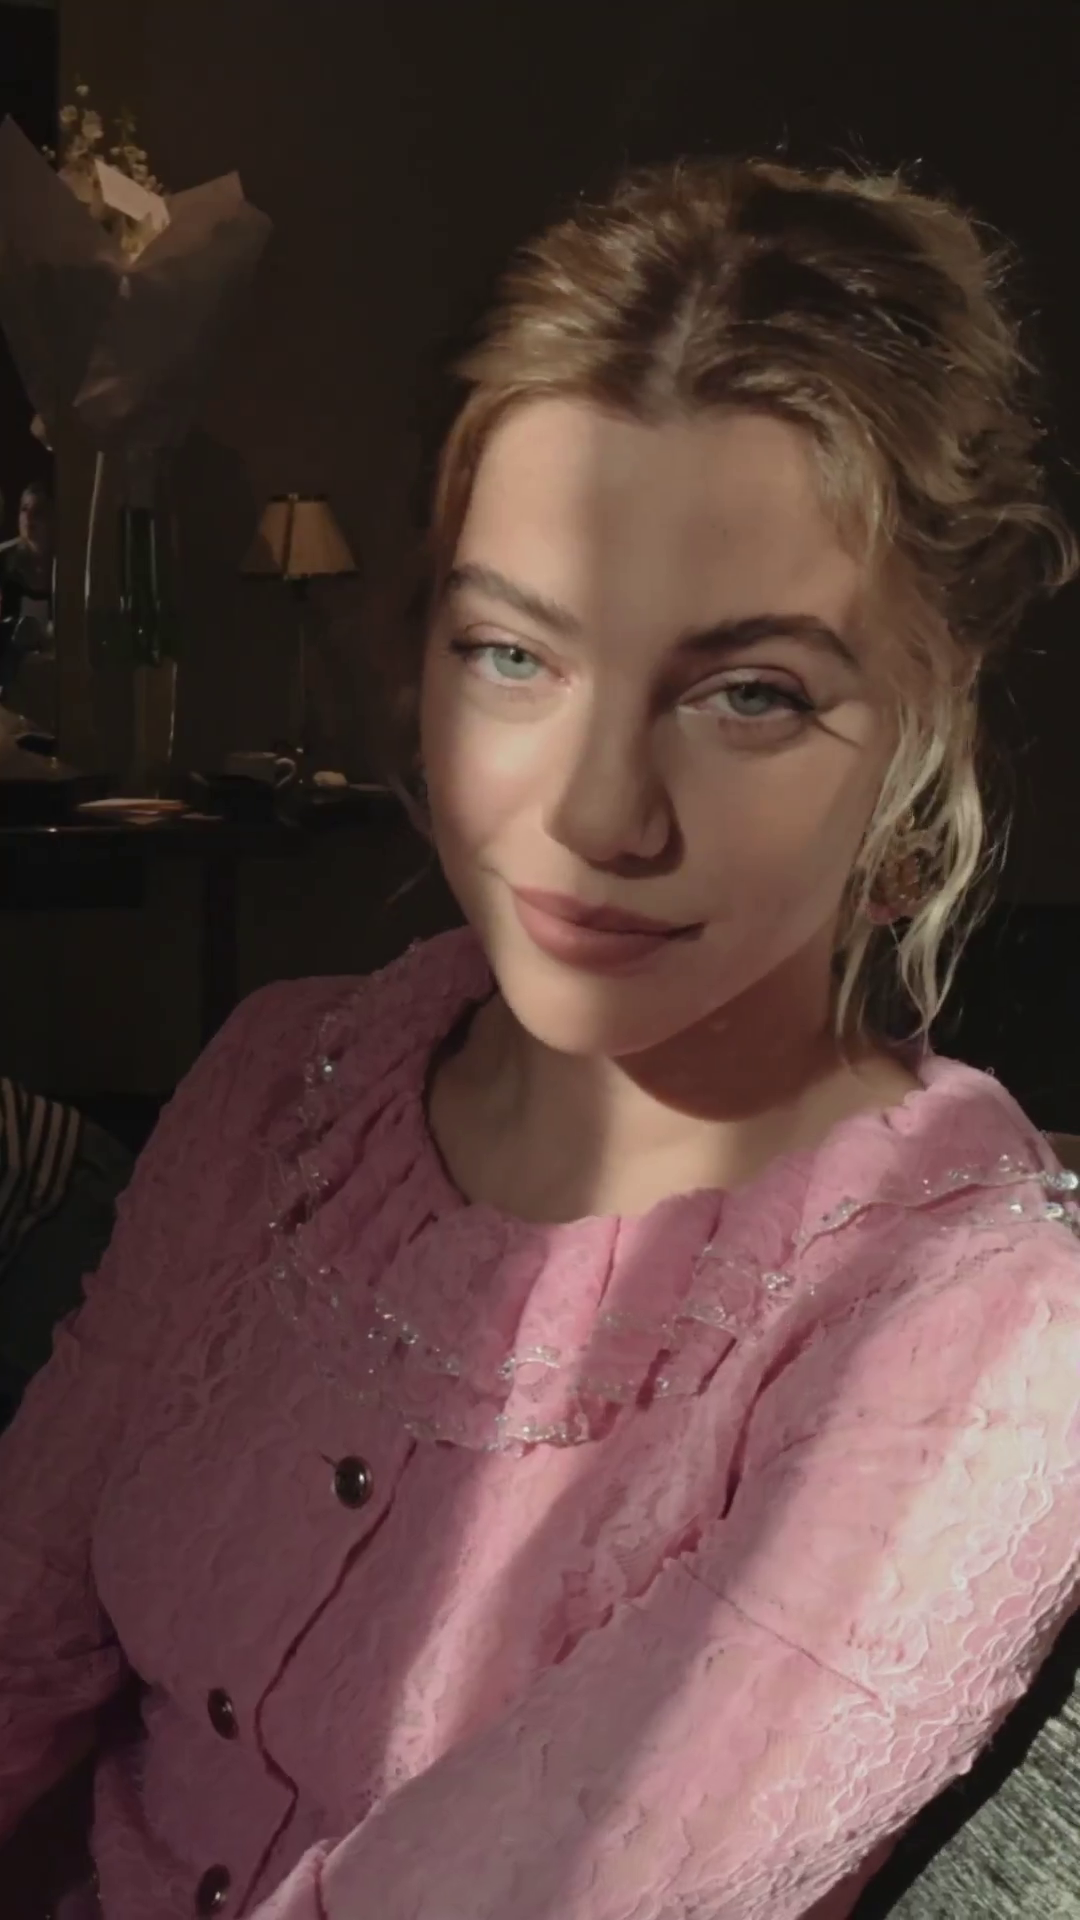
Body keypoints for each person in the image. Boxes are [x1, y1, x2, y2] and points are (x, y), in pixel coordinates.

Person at [2, 156, 1080, 1920]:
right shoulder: (285, 1082)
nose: (594, 815)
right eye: (514, 654)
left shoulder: (977, 1339)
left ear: (922, 721)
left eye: (751, 693)